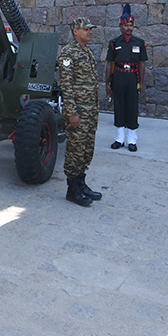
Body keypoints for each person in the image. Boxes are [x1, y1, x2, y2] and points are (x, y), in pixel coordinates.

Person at [57, 17, 102, 206]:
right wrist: (71, 113)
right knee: (75, 150)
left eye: (91, 29)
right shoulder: (68, 53)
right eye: (86, 29)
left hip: (90, 110)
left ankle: (81, 182)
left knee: (86, 149)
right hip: (78, 112)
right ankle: (72, 189)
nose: (89, 32)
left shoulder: (87, 51)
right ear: (75, 30)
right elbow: (66, 86)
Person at [106, 4, 147, 152]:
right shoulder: (114, 43)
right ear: (120, 26)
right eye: (126, 25)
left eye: (131, 25)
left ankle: (132, 139)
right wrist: (107, 83)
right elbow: (110, 63)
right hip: (118, 76)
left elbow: (142, 63)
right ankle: (119, 138)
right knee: (119, 106)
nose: (129, 28)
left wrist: (141, 82)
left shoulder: (139, 43)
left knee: (132, 107)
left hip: (133, 77)